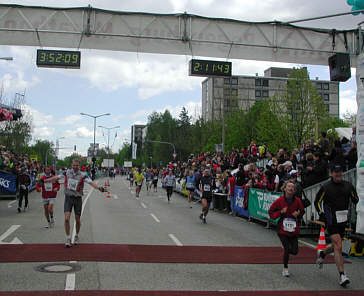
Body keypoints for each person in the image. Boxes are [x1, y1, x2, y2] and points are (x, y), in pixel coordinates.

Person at [314, 163, 359, 287]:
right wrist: (321, 213)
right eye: (336, 172)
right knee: (338, 245)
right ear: (331, 173)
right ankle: (342, 275)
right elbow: (317, 201)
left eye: (340, 172)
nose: (338, 174)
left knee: (335, 245)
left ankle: (322, 253)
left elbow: (356, 199)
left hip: (343, 219)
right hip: (331, 219)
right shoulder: (326, 187)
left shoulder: (348, 186)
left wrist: (355, 198)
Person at [44, 158, 105, 248]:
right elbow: (56, 177)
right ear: (71, 165)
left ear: (79, 166)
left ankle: (76, 235)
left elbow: (91, 183)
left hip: (77, 199)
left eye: (77, 165)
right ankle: (68, 238)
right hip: (68, 198)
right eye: (74, 165)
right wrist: (45, 181)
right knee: (67, 219)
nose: (75, 167)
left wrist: (99, 188)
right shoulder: (67, 172)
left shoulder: (83, 175)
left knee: (77, 220)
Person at [268, 181, 305, 277]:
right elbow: (271, 212)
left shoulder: (297, 201)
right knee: (287, 249)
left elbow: (302, 211)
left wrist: (298, 214)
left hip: (293, 228)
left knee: (295, 251)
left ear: (294, 190)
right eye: (289, 186)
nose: (291, 188)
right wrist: (280, 212)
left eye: (292, 187)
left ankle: (286, 251)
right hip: (282, 229)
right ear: (284, 189)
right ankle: (285, 268)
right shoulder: (280, 201)